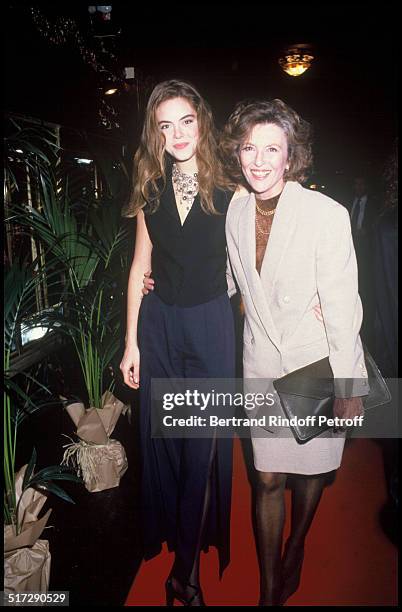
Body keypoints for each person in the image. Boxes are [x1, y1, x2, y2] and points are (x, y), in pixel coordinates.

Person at [220, 99, 369, 606]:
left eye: (272, 149)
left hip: (316, 361)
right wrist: (164, 282)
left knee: (310, 471)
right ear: (237, 153)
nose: (258, 160)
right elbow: (231, 279)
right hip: (260, 359)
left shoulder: (326, 215)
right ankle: (268, 589)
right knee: (265, 476)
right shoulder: (236, 207)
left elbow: (344, 303)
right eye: (249, 148)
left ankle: (298, 545)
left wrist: (349, 385)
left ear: (291, 156)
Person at [119, 80, 236, 606]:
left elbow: (256, 259)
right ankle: (177, 553)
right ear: (155, 133)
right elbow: (139, 265)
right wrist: (130, 344)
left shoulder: (233, 183)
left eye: (185, 120)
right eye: (165, 125)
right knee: (165, 441)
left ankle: (184, 574)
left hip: (211, 324)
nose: (177, 134)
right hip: (160, 327)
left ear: (202, 120)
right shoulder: (150, 185)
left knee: (203, 449)